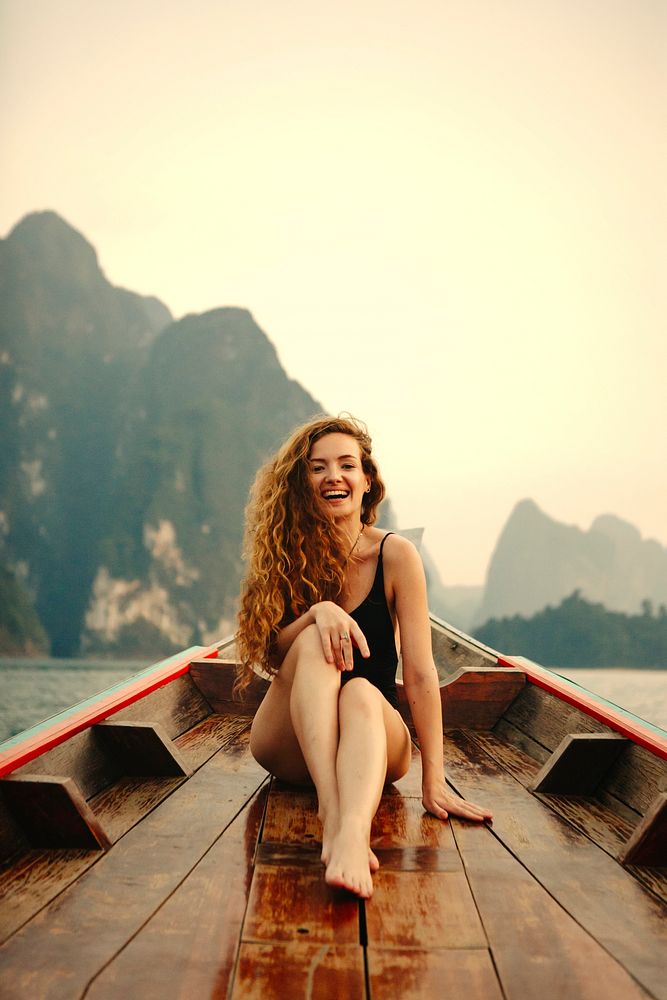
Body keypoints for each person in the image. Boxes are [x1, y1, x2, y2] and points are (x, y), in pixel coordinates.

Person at [236, 415, 492, 899]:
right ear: (301, 483)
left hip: (373, 738)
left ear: (367, 480)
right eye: (317, 468)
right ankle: (332, 811)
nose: (334, 476)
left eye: (346, 465)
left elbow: (418, 671)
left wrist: (434, 780)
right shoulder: (286, 553)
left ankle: (352, 832)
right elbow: (269, 654)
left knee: (359, 690)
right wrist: (319, 611)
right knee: (315, 639)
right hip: (294, 746)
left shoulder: (395, 556)